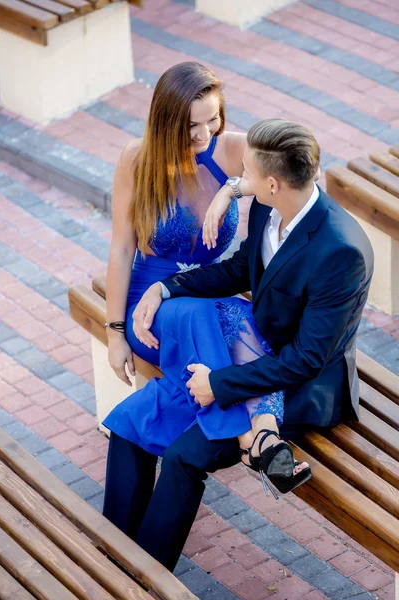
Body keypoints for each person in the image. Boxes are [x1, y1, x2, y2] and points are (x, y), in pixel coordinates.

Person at [110, 118, 374, 571]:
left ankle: (143, 578)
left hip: (296, 387)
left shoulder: (341, 252)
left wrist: (220, 384)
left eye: (245, 175)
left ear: (272, 182)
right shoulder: (268, 206)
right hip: (238, 354)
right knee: (132, 422)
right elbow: (238, 271)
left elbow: (306, 359)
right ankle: (110, 554)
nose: (236, 182)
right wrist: (166, 287)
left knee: (183, 456)